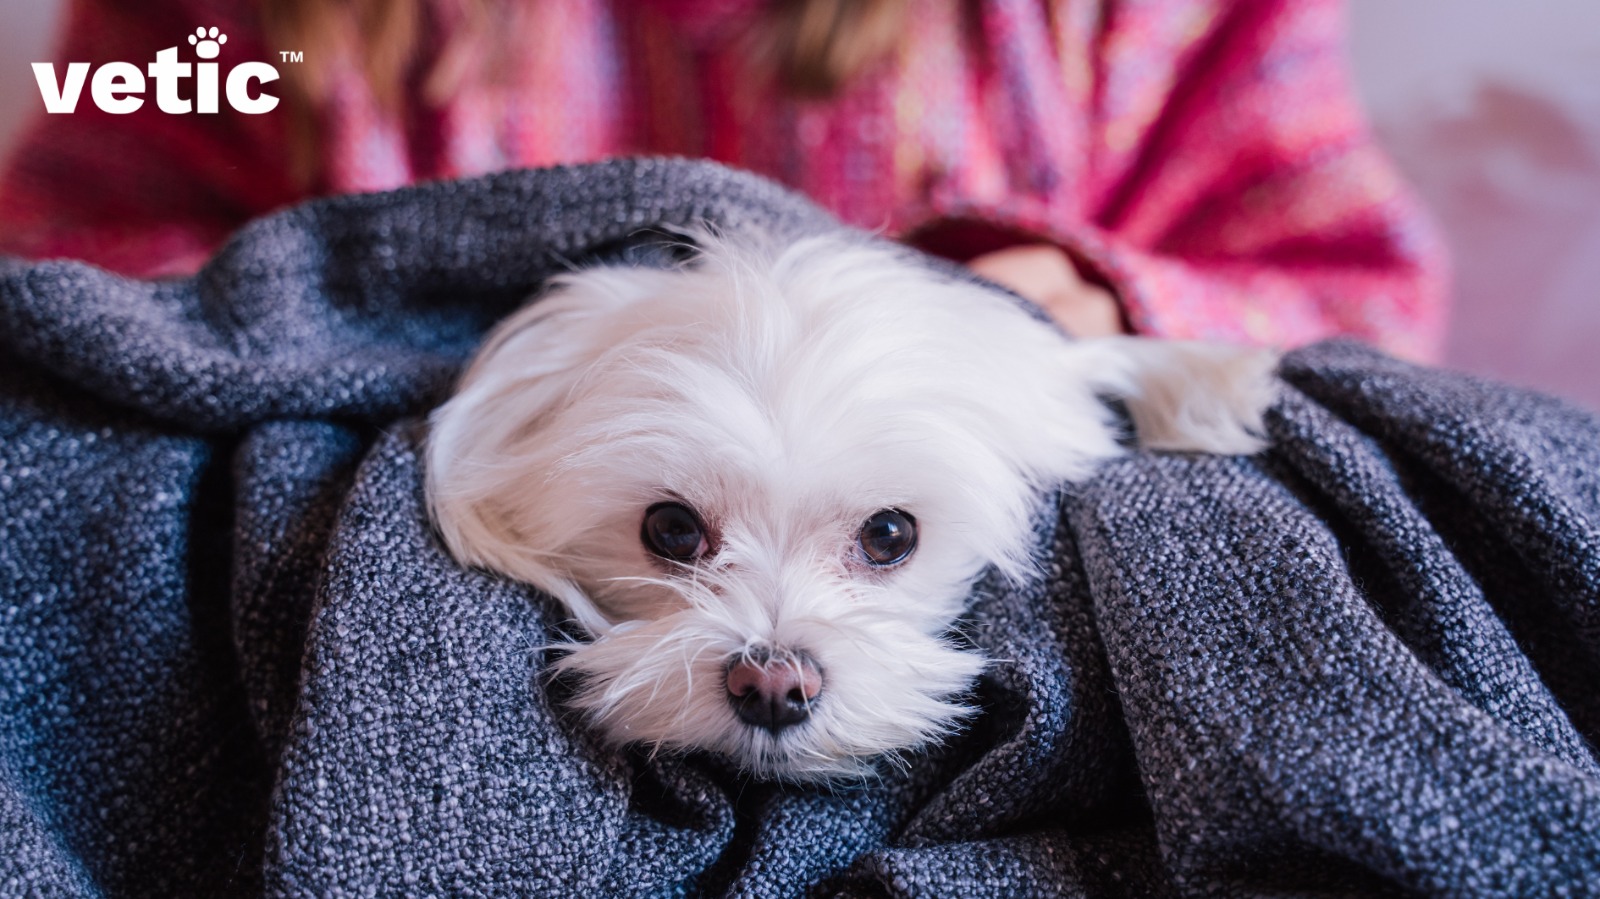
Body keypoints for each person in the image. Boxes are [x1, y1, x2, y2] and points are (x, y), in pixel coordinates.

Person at [0, 0, 1447, 358]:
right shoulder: (251, 29)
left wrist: (1102, 300)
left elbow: (1358, 304)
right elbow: (61, 269)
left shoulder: (1123, 30)